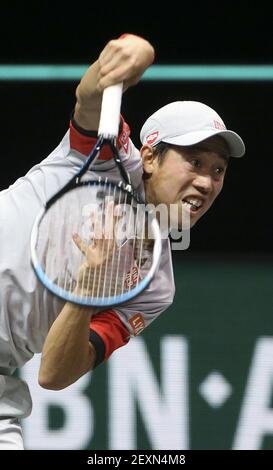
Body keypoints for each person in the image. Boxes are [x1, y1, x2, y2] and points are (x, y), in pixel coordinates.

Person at [0, 33, 245, 450]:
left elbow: (56, 375)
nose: (206, 181)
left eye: (218, 170)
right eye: (195, 161)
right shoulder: (105, 155)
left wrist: (86, 288)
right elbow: (90, 96)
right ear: (150, 156)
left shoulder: (154, 287)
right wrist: (133, 52)